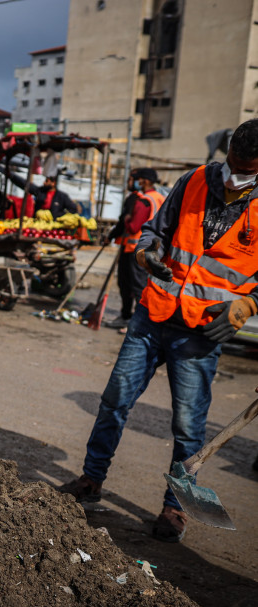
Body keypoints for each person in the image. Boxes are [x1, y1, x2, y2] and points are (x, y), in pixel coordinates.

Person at [57, 119, 258, 543]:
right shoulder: (195, 181)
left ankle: (174, 507)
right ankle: (91, 480)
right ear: (228, 151)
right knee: (114, 400)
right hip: (154, 314)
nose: (235, 174)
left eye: (247, 169)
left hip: (202, 330)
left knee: (188, 425)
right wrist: (147, 252)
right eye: (233, 163)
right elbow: (155, 232)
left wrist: (249, 304)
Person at [106, 168, 165, 330]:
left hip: (135, 248)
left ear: (144, 181)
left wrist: (126, 219)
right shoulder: (160, 198)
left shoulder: (143, 200)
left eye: (137, 179)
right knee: (139, 285)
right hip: (151, 249)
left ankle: (133, 321)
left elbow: (133, 227)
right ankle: (131, 319)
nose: (135, 183)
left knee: (132, 285)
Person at [10, 170, 79, 218]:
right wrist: (12, 176)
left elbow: (73, 209)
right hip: (38, 222)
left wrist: (59, 215)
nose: (44, 183)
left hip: (53, 225)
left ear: (53, 183)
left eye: (46, 181)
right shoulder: (40, 191)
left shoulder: (62, 196)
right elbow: (26, 185)